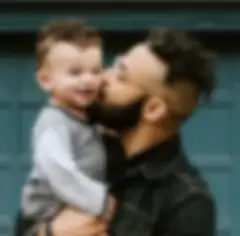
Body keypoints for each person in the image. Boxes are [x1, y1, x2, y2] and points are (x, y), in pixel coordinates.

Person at [27, 28, 217, 236]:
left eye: (121, 75)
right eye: (114, 65)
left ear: (153, 109)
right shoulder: (79, 148)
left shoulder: (186, 203)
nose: (101, 78)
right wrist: (49, 233)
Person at [16, 19, 116, 236]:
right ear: (46, 80)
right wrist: (99, 200)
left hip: (75, 213)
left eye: (96, 71)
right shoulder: (53, 122)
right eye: (75, 72)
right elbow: (58, 169)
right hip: (43, 218)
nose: (88, 80)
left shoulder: (85, 118)